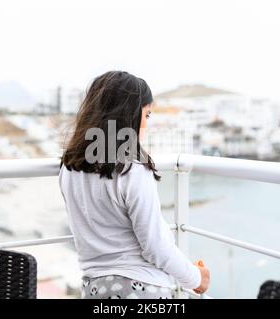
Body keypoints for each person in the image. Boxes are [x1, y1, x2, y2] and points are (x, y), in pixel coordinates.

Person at [59, 71, 210, 299]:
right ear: (127, 115)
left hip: (93, 290)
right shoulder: (132, 169)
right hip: (140, 289)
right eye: (146, 115)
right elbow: (155, 247)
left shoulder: (69, 167)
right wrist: (197, 278)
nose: (146, 125)